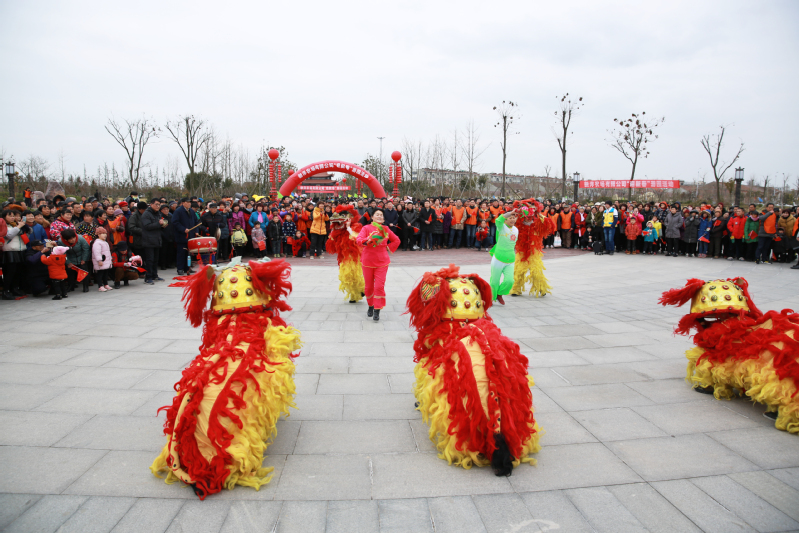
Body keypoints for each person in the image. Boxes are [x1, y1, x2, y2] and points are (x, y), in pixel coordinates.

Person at [355, 208, 400, 321]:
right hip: (368, 261)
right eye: (377, 214)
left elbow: (396, 240)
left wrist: (387, 247)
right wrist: (368, 240)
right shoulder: (366, 228)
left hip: (382, 262)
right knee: (369, 287)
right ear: (372, 217)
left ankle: (377, 309)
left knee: (379, 286)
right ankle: (371, 305)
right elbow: (359, 240)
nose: (379, 216)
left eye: (381, 215)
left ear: (383, 219)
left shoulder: (386, 229)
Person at [488, 208, 519, 305]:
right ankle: (491, 298)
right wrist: (510, 213)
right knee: (494, 281)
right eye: (510, 218)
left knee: (510, 281)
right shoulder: (501, 227)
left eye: (514, 218)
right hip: (498, 258)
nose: (512, 219)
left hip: (510, 259)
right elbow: (498, 220)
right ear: (505, 220)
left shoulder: (516, 229)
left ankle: (499, 293)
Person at [141, 198, 166, 284]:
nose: (158, 206)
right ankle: (148, 277)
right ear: (151, 204)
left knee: (155, 259)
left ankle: (154, 275)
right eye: (156, 204)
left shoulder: (158, 213)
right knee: (150, 260)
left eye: (159, 205)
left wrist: (163, 225)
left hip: (156, 239)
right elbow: (147, 226)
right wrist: (158, 224)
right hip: (148, 240)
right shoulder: (146, 214)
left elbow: (157, 225)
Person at [173, 198, 197, 275]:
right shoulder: (178, 211)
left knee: (189, 253)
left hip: (190, 235)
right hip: (182, 236)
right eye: (187, 202)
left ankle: (187, 268)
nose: (189, 204)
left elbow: (196, 222)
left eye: (190, 202)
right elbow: (175, 222)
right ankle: (180, 268)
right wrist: (183, 229)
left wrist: (196, 231)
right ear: (183, 203)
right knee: (181, 253)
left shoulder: (191, 211)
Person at [91, 227, 113, 292]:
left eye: (105, 233)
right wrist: (99, 260)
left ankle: (106, 284)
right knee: (100, 274)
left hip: (106, 261)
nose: (105, 235)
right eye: (103, 233)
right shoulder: (97, 243)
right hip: (101, 261)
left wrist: (110, 260)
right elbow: (97, 252)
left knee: (105, 273)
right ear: (98, 235)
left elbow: (108, 252)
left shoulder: (105, 242)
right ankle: (100, 286)